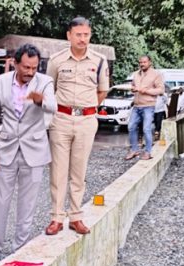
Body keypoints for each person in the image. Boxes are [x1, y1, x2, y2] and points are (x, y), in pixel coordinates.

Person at [0, 44, 58, 266]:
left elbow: (53, 107)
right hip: (6, 150)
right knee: (0, 203)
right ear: (15, 63)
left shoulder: (44, 82)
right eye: (26, 67)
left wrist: (39, 100)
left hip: (34, 152)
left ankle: (20, 249)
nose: (29, 72)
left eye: (34, 68)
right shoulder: (0, 82)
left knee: (27, 205)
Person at [44, 16, 110, 236]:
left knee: (78, 171)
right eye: (78, 35)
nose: (83, 39)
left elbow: (102, 91)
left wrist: (86, 109)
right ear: (69, 36)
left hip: (86, 121)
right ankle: (56, 217)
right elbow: (48, 89)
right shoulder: (56, 60)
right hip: (60, 120)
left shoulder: (99, 61)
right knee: (58, 171)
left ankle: (76, 216)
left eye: (86, 34)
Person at [125, 55, 165, 160]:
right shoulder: (136, 74)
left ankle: (148, 152)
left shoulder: (156, 75)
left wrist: (146, 91)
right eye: (140, 62)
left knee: (146, 129)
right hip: (137, 105)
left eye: (144, 62)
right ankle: (134, 150)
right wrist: (133, 89)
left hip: (148, 106)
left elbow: (161, 90)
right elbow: (133, 86)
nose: (142, 64)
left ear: (150, 62)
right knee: (131, 127)